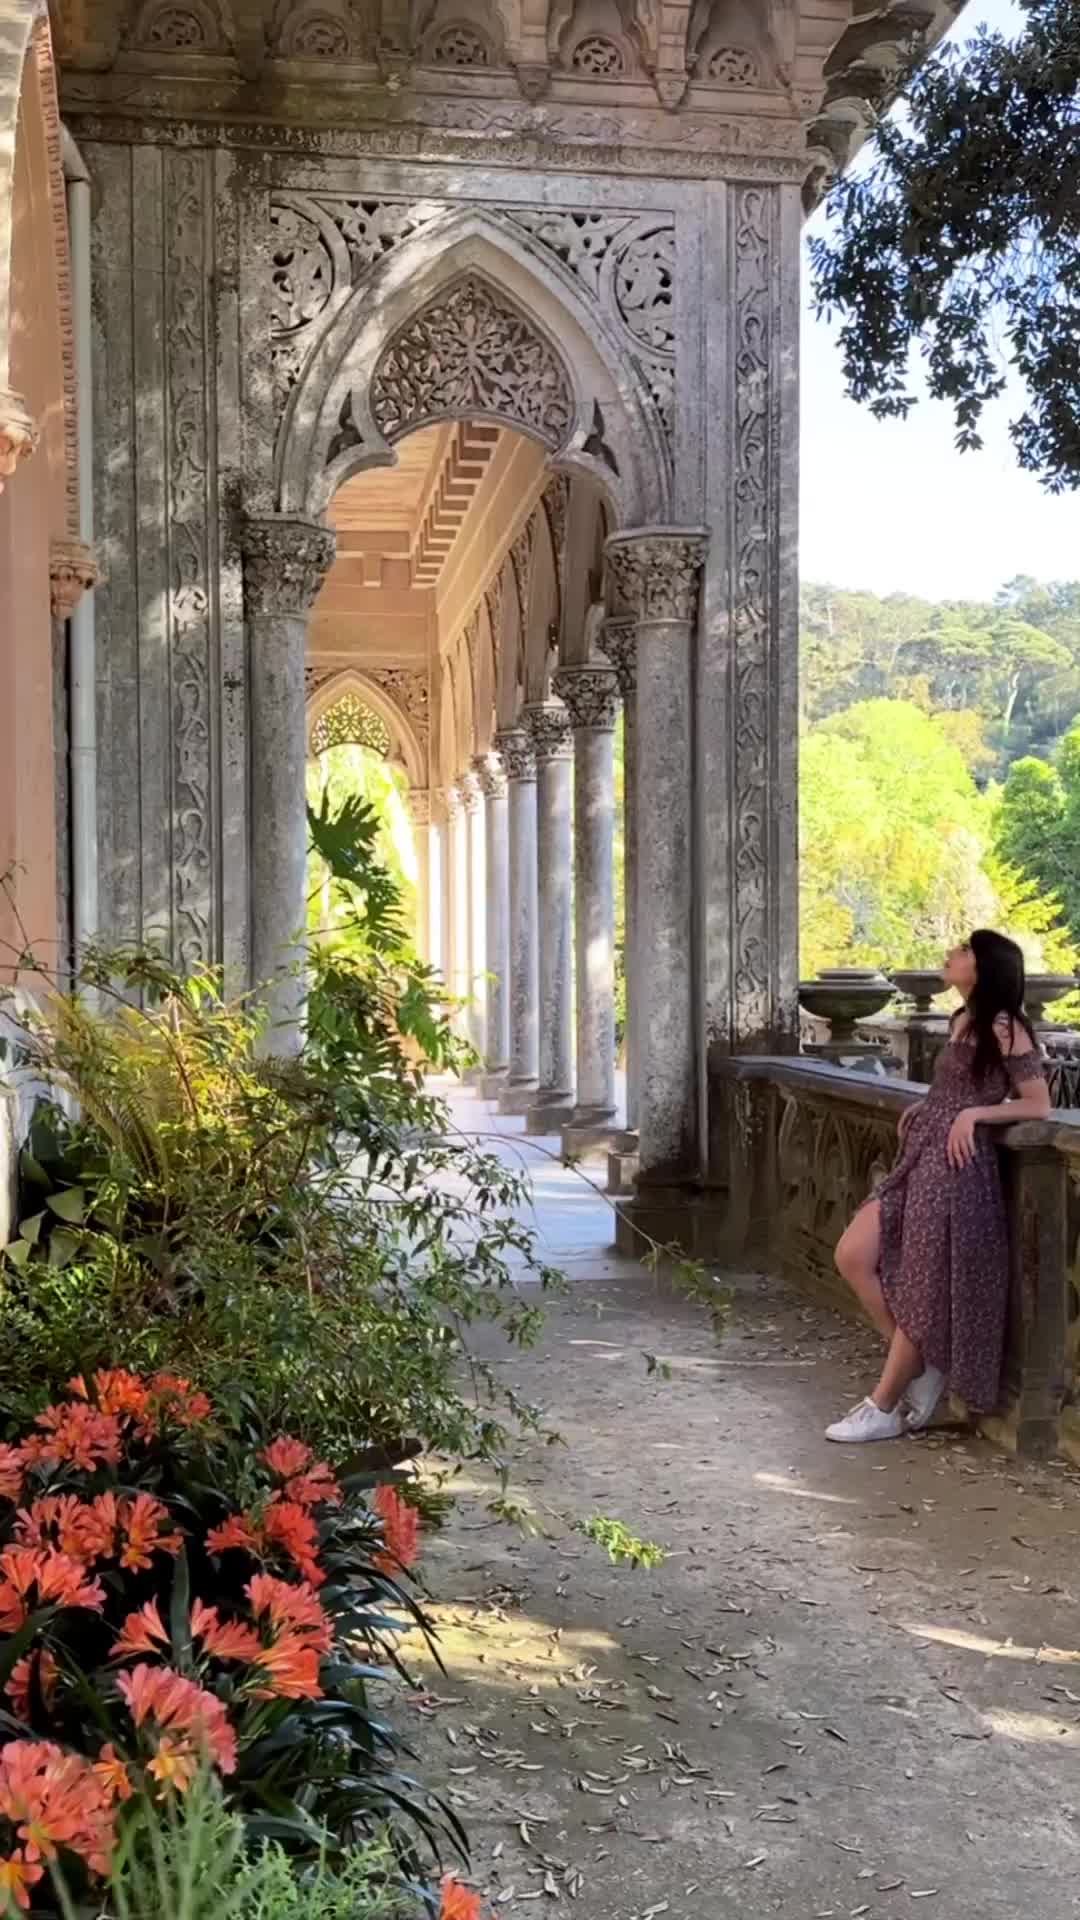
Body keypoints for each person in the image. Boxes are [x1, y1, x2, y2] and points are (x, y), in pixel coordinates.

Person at [826, 930, 1051, 1443]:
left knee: (925, 1288)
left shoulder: (1005, 1026)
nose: (951, 955)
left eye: (964, 951)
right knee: (853, 1254)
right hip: (920, 1157)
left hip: (958, 1170)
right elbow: (956, 1086)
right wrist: (934, 1106)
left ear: (986, 967)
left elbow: (1036, 1103)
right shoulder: (961, 1020)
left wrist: (975, 1113)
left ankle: (883, 1405)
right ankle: (924, 1368)